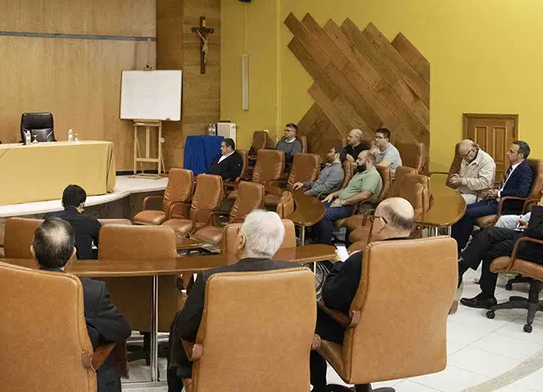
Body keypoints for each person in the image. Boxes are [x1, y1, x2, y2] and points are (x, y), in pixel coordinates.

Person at [167, 210, 297, 391]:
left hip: (221, 367)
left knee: (178, 320)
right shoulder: (297, 274)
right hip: (277, 364)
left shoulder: (212, 278)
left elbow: (186, 329)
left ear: (242, 240)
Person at [310, 198, 416, 391]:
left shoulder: (362, 261)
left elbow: (331, 297)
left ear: (382, 223)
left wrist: (341, 264)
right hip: (407, 335)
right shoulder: (426, 257)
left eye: (374, 218)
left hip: (363, 335)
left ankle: (319, 388)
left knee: (309, 320)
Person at [459, 166, 543, 308]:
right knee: (489, 232)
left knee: (492, 249)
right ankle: (462, 267)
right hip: (537, 238)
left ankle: (484, 295)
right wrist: (531, 224)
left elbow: (537, 232)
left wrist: (542, 204)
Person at [33, 217, 131, 392]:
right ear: (73, 253)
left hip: (28, 375)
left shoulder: (13, 288)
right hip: (77, 380)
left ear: (32, 251)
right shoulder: (92, 292)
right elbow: (122, 330)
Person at [450, 140, 533, 253]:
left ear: (520, 155)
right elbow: (506, 187)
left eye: (511, 151)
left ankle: (457, 248)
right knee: (463, 209)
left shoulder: (525, 169)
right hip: (495, 199)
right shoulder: (514, 166)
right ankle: (454, 245)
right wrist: (495, 191)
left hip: (505, 204)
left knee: (468, 213)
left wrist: (499, 193)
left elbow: (522, 193)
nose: (507, 153)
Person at [314, 150, 382, 244]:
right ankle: (317, 240)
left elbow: (364, 195)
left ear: (368, 162)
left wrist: (343, 202)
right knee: (316, 209)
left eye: (359, 159)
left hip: (351, 206)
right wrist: (332, 194)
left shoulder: (372, 175)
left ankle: (324, 246)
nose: (356, 161)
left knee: (324, 215)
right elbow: (346, 189)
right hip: (341, 201)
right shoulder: (360, 172)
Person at [45, 184, 102, 260]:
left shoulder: (48, 218)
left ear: (62, 203)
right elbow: (103, 247)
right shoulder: (91, 221)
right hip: (82, 268)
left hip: (53, 267)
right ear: (82, 204)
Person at [448, 140, 496, 205]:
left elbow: (484, 183)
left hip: (477, 195)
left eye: (465, 155)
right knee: (445, 200)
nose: (464, 158)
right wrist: (457, 178)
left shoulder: (486, 161)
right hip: (461, 191)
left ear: (473, 150)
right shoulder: (467, 157)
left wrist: (462, 181)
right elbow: (463, 176)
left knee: (453, 203)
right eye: (462, 156)